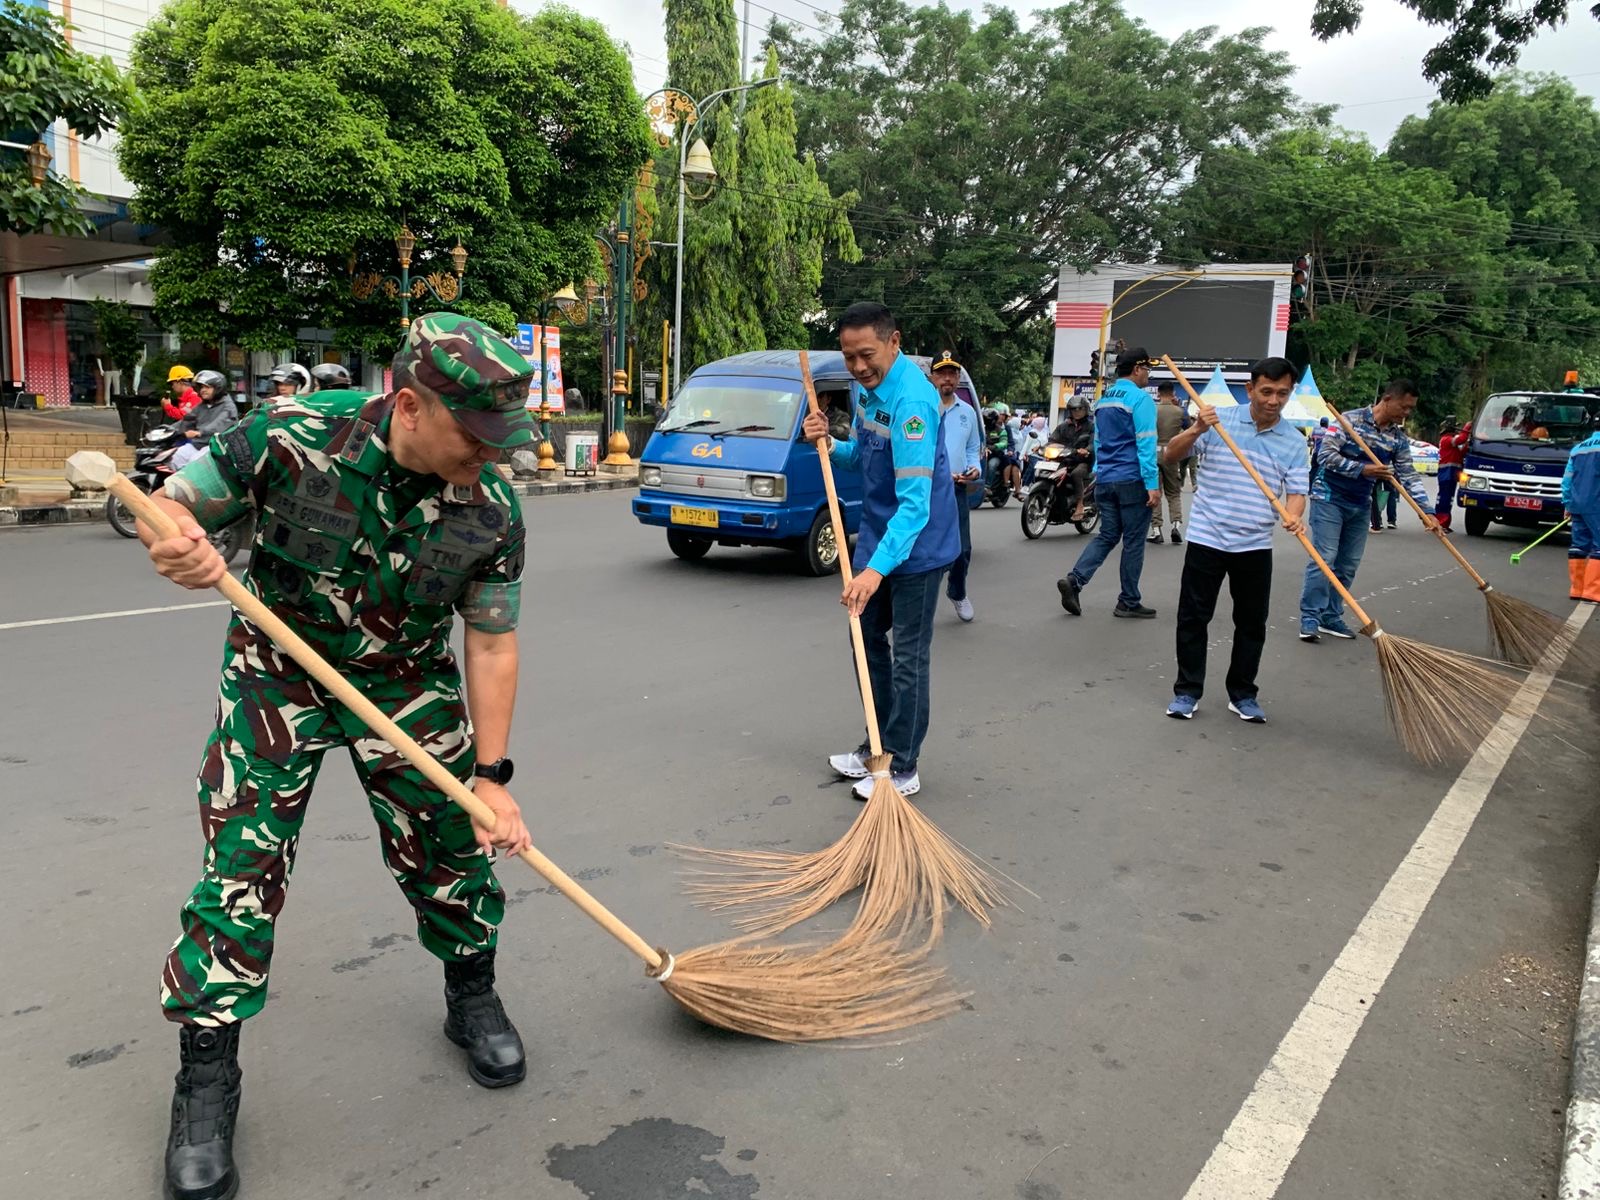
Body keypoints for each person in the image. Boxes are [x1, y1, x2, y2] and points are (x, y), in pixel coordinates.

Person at [136, 314, 538, 1200]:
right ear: (408, 408)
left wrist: (491, 779)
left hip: (405, 685)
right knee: (239, 868)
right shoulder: (283, 438)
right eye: (477, 436)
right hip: (277, 675)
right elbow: (169, 508)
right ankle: (206, 1079)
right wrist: (175, 543)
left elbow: (494, 644)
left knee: (453, 846)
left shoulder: (495, 511)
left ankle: (471, 992)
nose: (492, 456)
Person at [803, 301, 959, 800]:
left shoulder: (913, 402)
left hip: (918, 548)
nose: (858, 367)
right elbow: (865, 460)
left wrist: (873, 572)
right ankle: (878, 742)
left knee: (910, 656)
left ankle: (903, 764)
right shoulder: (866, 392)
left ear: (894, 342)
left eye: (866, 354)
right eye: (849, 357)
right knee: (865, 637)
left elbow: (914, 508)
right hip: (877, 538)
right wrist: (827, 442)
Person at [1160, 358, 1308, 722]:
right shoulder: (1217, 421)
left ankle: (1242, 693)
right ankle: (1187, 692)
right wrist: (1196, 428)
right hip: (1207, 537)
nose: (1274, 400)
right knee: (1193, 618)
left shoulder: (1293, 441)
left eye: (1283, 393)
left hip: (1255, 544)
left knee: (1252, 622)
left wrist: (1293, 515)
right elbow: (1170, 455)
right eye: (1267, 391)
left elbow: (1297, 491)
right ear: (1250, 389)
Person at [1299, 379, 1434, 641]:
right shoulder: (1348, 421)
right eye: (1404, 407)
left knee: (1347, 565)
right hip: (1328, 496)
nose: (1406, 413)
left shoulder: (1397, 438)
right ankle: (1310, 618)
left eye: (1410, 409)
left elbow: (1408, 475)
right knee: (1324, 558)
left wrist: (1426, 512)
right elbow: (1325, 456)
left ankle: (1331, 616)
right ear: (1387, 399)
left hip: (1360, 503)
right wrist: (1364, 469)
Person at [1055, 347, 1161, 619]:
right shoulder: (1141, 399)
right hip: (1133, 480)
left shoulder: (1103, 401)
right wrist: (1151, 484)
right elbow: (1146, 443)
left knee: (1107, 535)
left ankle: (1075, 580)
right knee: (1134, 541)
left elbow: (1099, 443)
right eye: (1147, 368)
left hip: (1106, 480)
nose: (1149, 374)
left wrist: (1100, 474)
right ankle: (1128, 600)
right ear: (1137, 369)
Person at [933, 352, 982, 622]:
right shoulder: (923, 407)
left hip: (958, 489)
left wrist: (975, 468)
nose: (947, 378)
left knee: (963, 549)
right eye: (942, 373)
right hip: (927, 489)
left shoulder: (967, 413)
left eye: (952, 373)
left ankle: (958, 592)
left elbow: (973, 447)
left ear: (958, 378)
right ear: (933, 378)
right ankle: (920, 601)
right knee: (926, 550)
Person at [171, 370, 240, 469]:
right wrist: (167, 430)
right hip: (199, 444)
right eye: (202, 387)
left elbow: (219, 425)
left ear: (218, 388)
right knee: (175, 458)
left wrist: (199, 432)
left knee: (194, 462)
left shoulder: (228, 407)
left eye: (207, 387)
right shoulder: (202, 406)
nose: (203, 390)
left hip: (217, 447)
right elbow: (187, 420)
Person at [1562, 424, 1600, 601]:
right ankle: (1593, 591)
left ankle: (1577, 589)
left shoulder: (1578, 449)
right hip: (1596, 504)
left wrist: (1568, 504)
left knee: (1579, 545)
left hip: (1577, 504)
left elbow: (1567, 480)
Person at [1150, 381, 1185, 544]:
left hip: (1153, 454)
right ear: (1173, 394)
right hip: (1171, 453)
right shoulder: (1180, 412)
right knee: (1174, 493)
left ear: (1158, 393)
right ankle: (1175, 526)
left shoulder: (1152, 410)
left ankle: (1156, 530)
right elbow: (1190, 429)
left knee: (1155, 491)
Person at [1048, 397, 1095, 522]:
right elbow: (1052, 440)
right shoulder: (1063, 426)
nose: (1077, 411)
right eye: (1074, 409)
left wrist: (1087, 450)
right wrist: (1043, 447)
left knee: (1076, 474)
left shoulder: (1091, 426)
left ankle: (1080, 504)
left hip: (1083, 461)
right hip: (1064, 459)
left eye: (1080, 409)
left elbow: (1093, 442)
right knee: (1048, 470)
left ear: (1086, 410)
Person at [1435, 419, 1471, 531]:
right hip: (1447, 473)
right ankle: (1441, 523)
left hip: (1450, 473)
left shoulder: (1449, 442)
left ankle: (1444, 523)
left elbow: (1461, 453)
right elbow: (1461, 439)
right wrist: (1467, 428)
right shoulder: (1447, 440)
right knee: (1445, 499)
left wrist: (1467, 445)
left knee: (1448, 499)